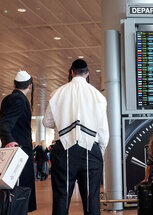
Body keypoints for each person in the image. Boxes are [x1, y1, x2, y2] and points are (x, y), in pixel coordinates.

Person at [43, 59, 109, 215]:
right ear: (87, 74)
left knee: (61, 198)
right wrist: (99, 151)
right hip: (90, 150)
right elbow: (103, 131)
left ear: (71, 72)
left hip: (64, 150)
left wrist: (61, 123)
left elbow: (46, 121)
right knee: (91, 200)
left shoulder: (57, 93)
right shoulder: (98, 96)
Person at [0, 70, 36, 212]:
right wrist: (10, 140)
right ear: (30, 86)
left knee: (12, 192)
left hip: (13, 150)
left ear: (14, 84)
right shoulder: (19, 99)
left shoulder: (8, 99)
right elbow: (3, 123)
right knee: (19, 192)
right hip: (19, 152)